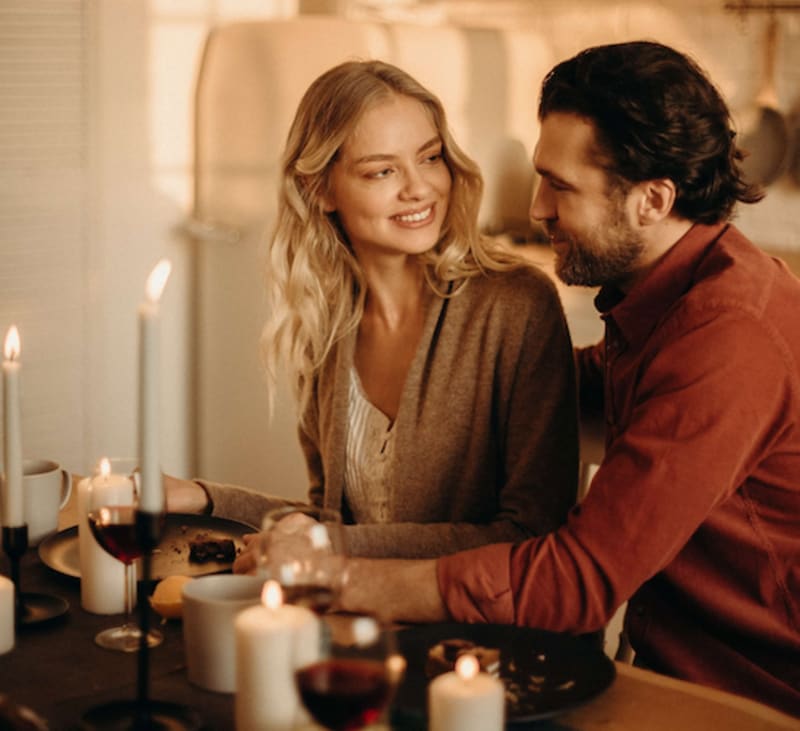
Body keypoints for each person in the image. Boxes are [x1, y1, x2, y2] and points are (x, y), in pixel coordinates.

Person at [335, 42, 800, 717]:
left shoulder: (727, 335)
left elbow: (578, 579)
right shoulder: (668, 292)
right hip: (670, 667)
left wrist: (343, 580)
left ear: (652, 199)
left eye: (562, 185)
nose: (537, 208)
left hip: (751, 698)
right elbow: (572, 385)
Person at [167, 60, 579, 566]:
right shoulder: (326, 326)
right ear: (320, 190)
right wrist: (202, 499)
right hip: (365, 619)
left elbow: (531, 535)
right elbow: (336, 525)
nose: (419, 188)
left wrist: (326, 544)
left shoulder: (516, 306)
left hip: (478, 638)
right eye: (382, 170)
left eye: (430, 158)